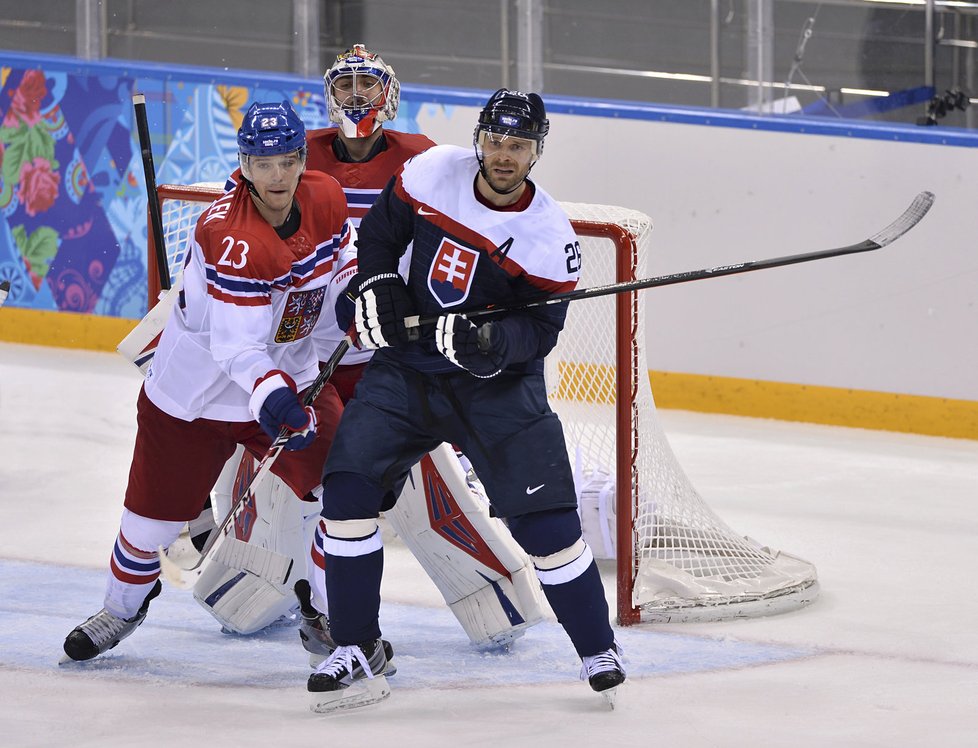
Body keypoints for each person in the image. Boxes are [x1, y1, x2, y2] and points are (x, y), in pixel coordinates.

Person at [195, 45, 545, 660]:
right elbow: (244, 238)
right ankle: (268, 593)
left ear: (392, 93)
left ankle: (490, 599)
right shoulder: (301, 158)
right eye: (347, 84)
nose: (358, 97)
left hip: (393, 350)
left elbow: (470, 225)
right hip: (311, 352)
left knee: (409, 486)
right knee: (299, 474)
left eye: (369, 84)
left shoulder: (427, 159)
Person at [305, 88, 626, 713]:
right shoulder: (430, 173)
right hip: (407, 373)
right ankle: (354, 646)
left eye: (519, 146)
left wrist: (490, 339)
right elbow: (378, 235)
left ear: (537, 150)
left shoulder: (549, 236)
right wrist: (376, 286)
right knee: (346, 492)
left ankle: (597, 649)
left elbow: (541, 331)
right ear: (480, 139)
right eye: (497, 142)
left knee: (549, 528)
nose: (505, 157)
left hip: (496, 389)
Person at [61, 100, 357, 663]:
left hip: (288, 379)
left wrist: (354, 297)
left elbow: (342, 264)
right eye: (262, 162)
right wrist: (277, 396)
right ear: (243, 163)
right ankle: (121, 609)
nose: (276, 175)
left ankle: (331, 618)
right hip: (194, 400)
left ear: (301, 159)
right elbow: (237, 346)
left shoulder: (325, 195)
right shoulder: (229, 233)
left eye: (287, 160)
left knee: (344, 495)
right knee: (147, 528)